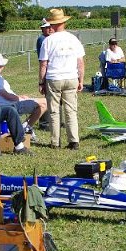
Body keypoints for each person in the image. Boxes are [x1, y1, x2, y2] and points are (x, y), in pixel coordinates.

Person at [39, 8, 85, 150]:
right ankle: (74, 140)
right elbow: (80, 62)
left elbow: (43, 64)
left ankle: (55, 142)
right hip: (71, 77)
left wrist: (41, 82)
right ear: (64, 22)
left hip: (54, 78)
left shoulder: (47, 41)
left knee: (54, 111)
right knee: (71, 111)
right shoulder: (73, 39)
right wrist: (81, 80)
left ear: (52, 24)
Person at [0, 52, 47, 137]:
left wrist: (19, 96)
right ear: (0, 65)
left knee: (44, 103)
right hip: (10, 105)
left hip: (9, 103)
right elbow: (6, 95)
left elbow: (4, 94)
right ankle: (25, 127)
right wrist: (20, 99)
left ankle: (25, 127)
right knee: (45, 102)